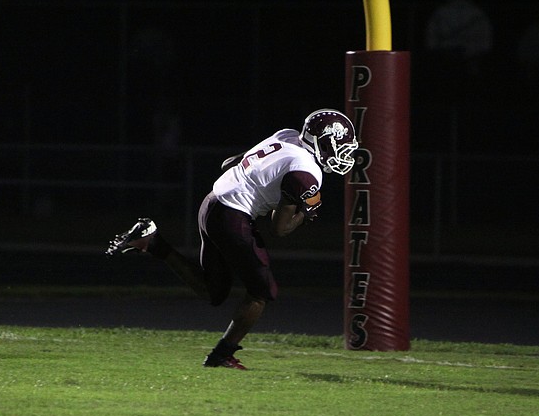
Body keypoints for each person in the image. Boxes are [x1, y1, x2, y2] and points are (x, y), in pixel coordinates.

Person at [105, 109, 358, 370]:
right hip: (232, 216)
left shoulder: (288, 136)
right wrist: (306, 212)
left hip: (212, 202)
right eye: (342, 146)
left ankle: (153, 241)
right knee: (263, 290)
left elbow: (229, 163)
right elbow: (280, 228)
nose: (344, 153)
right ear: (325, 141)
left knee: (213, 290)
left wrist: (263, 186)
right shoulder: (306, 172)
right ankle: (221, 355)